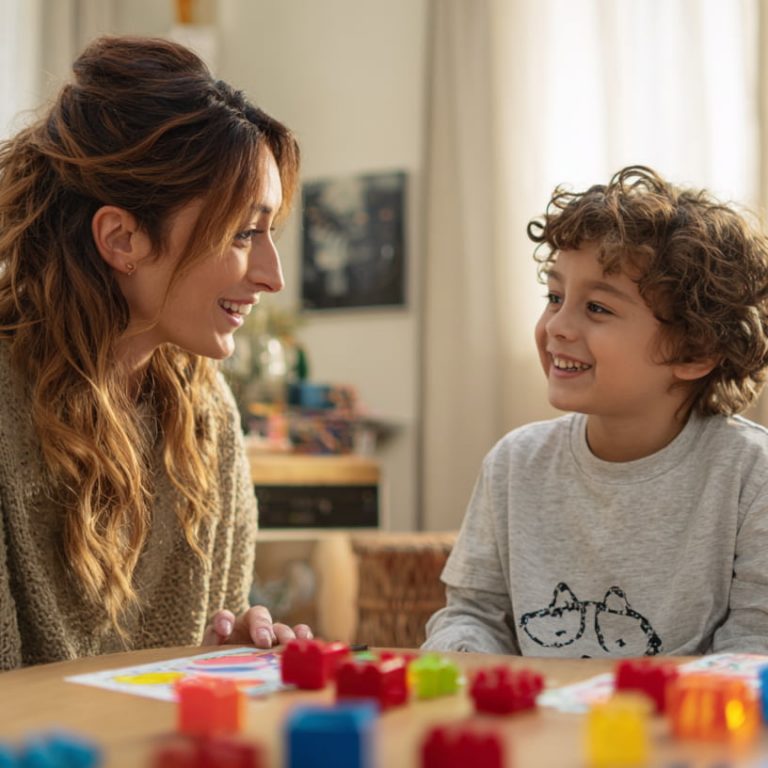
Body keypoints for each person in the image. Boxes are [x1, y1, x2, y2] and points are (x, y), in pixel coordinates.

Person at [0, 35, 313, 670]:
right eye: (243, 233)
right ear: (122, 237)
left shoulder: (207, 412)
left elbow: (187, 657)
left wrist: (220, 659)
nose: (273, 276)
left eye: (269, 233)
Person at [423, 165, 768, 657]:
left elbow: (755, 646)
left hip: (678, 733)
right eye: (555, 296)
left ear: (694, 351)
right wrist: (465, 658)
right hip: (540, 729)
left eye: (598, 308)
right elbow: (473, 614)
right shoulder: (514, 464)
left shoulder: (751, 474)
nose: (556, 326)